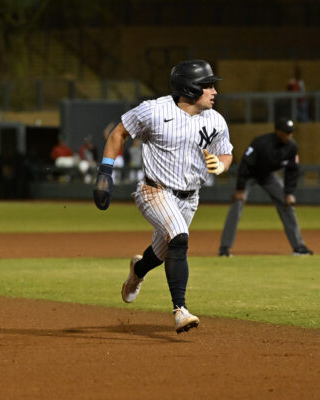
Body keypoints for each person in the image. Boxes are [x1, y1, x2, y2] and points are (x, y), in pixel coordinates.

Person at [93, 59, 233, 333]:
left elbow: (226, 151)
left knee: (161, 252)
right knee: (179, 238)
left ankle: (138, 271)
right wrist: (105, 172)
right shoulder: (154, 110)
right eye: (208, 85)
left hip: (190, 197)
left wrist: (222, 164)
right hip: (153, 190)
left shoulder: (215, 119)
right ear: (191, 89)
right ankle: (180, 310)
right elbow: (119, 133)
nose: (214, 91)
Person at [219, 117, 313, 257]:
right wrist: (240, 189)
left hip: (268, 176)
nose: (290, 135)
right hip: (250, 175)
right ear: (278, 132)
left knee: (287, 204)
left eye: (291, 132)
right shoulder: (261, 143)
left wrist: (289, 192)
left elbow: (293, 170)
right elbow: (245, 164)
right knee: (238, 202)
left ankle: (298, 246)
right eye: (287, 132)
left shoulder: (292, 146)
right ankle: (225, 248)